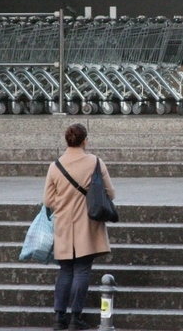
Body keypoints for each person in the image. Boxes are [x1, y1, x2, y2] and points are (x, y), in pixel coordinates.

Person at [43, 123, 116, 330]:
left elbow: (48, 200)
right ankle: (76, 317)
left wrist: (64, 204)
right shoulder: (95, 162)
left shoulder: (55, 166)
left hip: (64, 225)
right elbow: (110, 193)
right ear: (84, 140)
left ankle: (59, 317)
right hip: (88, 223)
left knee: (65, 271)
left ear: (67, 140)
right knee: (82, 270)